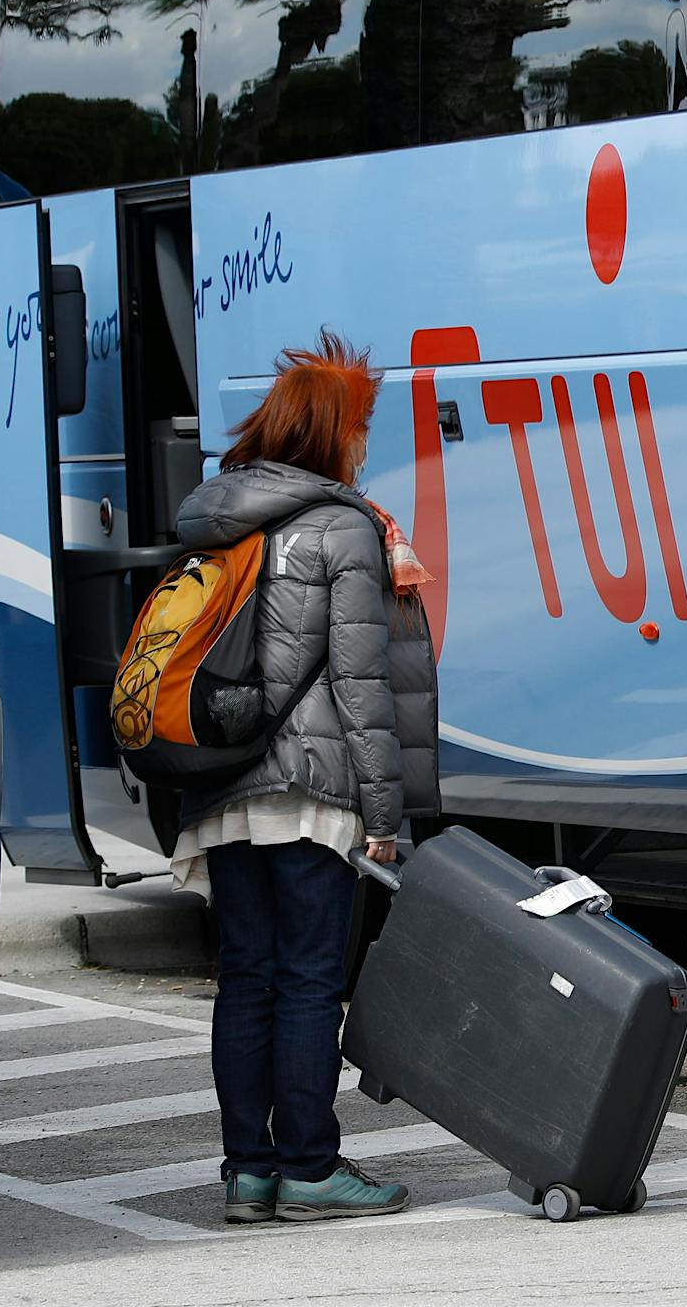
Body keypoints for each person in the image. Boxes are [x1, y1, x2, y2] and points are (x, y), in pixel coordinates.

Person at [171, 331, 440, 1226]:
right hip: (311, 790)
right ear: (331, 433)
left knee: (247, 977)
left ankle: (250, 1171)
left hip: (224, 785)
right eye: (360, 425)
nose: (366, 442)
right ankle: (312, 1168)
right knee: (311, 980)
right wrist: (385, 813)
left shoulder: (218, 516)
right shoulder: (342, 526)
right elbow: (362, 688)